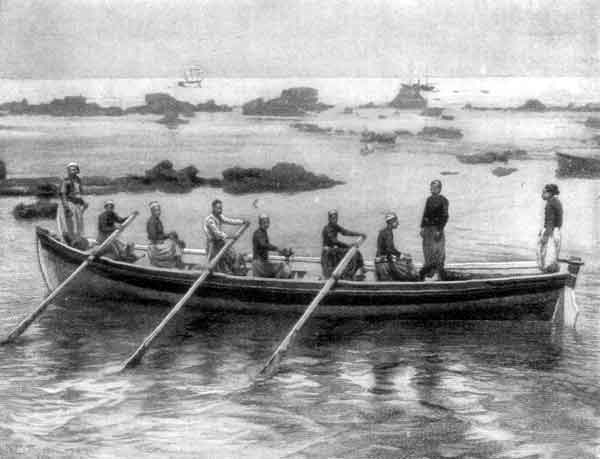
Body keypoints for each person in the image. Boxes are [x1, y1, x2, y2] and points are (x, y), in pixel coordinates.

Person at [203, 199, 248, 275]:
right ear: (213, 208)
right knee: (214, 263)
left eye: (221, 208)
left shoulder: (219, 216)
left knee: (232, 255)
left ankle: (232, 270)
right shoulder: (209, 220)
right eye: (218, 208)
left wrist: (243, 222)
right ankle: (215, 271)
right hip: (213, 245)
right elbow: (217, 233)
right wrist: (231, 236)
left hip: (220, 243)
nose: (220, 210)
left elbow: (230, 221)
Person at [321, 209, 367, 280]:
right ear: (329, 219)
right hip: (328, 252)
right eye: (333, 218)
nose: (335, 220)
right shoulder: (327, 229)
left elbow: (345, 232)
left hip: (334, 250)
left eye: (336, 218)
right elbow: (335, 241)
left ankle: (358, 271)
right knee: (353, 252)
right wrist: (348, 246)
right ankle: (348, 274)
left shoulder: (335, 226)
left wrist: (359, 234)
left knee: (356, 252)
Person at [374, 213, 419, 281]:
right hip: (384, 262)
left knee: (406, 259)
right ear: (391, 222)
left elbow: (389, 249)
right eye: (396, 222)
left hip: (383, 260)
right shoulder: (388, 233)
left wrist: (400, 255)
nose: (398, 224)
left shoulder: (385, 231)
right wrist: (400, 255)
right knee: (410, 273)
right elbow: (389, 249)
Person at [419, 180, 449, 281]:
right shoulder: (429, 199)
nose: (432, 189)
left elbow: (445, 216)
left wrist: (439, 230)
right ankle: (429, 273)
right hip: (427, 229)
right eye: (431, 187)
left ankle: (438, 273)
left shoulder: (443, 200)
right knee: (427, 250)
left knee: (438, 251)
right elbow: (425, 214)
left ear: (439, 189)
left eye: (435, 187)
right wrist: (422, 227)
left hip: (437, 229)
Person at [251, 214, 293, 278]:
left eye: (268, 222)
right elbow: (263, 245)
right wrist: (277, 249)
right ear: (260, 223)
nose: (266, 224)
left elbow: (265, 246)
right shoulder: (258, 233)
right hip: (259, 265)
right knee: (281, 266)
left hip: (263, 263)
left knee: (280, 266)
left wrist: (280, 251)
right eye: (264, 223)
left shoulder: (263, 232)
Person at [146, 201, 185, 268]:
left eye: (159, 210)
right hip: (155, 247)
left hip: (159, 244)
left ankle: (177, 262)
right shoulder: (151, 222)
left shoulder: (157, 220)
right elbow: (153, 237)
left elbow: (161, 234)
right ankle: (177, 264)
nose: (158, 212)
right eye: (156, 210)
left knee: (175, 239)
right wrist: (168, 235)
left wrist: (170, 235)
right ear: (152, 211)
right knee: (174, 245)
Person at [59, 162, 88, 243]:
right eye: (71, 170)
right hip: (69, 204)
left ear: (77, 171)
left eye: (75, 169)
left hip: (77, 205)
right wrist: (66, 208)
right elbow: (63, 194)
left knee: (79, 223)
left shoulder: (78, 180)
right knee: (70, 224)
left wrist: (83, 202)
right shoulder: (65, 181)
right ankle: (69, 241)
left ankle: (76, 241)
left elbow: (78, 193)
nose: (73, 171)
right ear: (68, 171)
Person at [537, 183, 563, 273]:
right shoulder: (556, 202)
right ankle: (552, 273)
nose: (542, 194)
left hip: (551, 232)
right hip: (556, 231)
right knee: (553, 255)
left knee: (546, 255)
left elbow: (550, 222)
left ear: (550, 193)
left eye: (544, 192)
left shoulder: (550, 204)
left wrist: (545, 236)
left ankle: (545, 275)